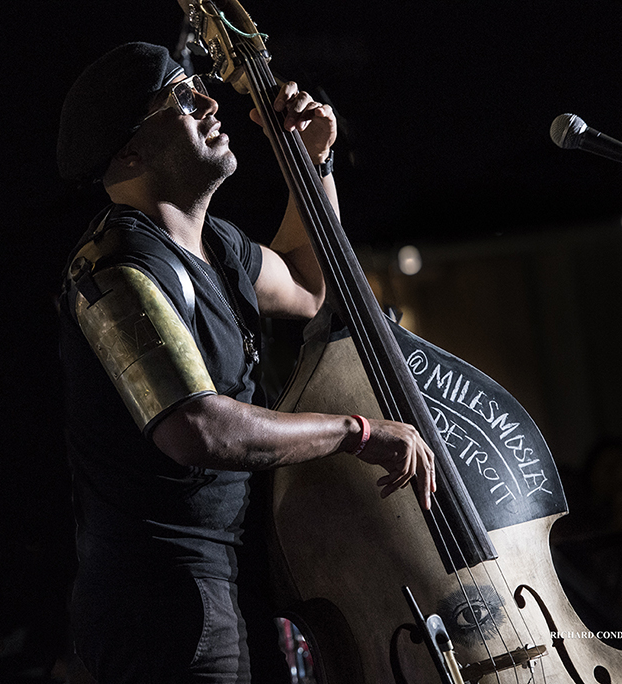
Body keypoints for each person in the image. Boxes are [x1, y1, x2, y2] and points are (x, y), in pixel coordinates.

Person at [55, 42, 435, 683]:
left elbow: (312, 287)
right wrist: (354, 432)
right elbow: (198, 428)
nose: (207, 100)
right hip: (165, 601)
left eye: (196, 85)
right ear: (129, 153)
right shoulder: (117, 266)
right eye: (176, 98)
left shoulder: (219, 247)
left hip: (233, 578)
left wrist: (312, 166)